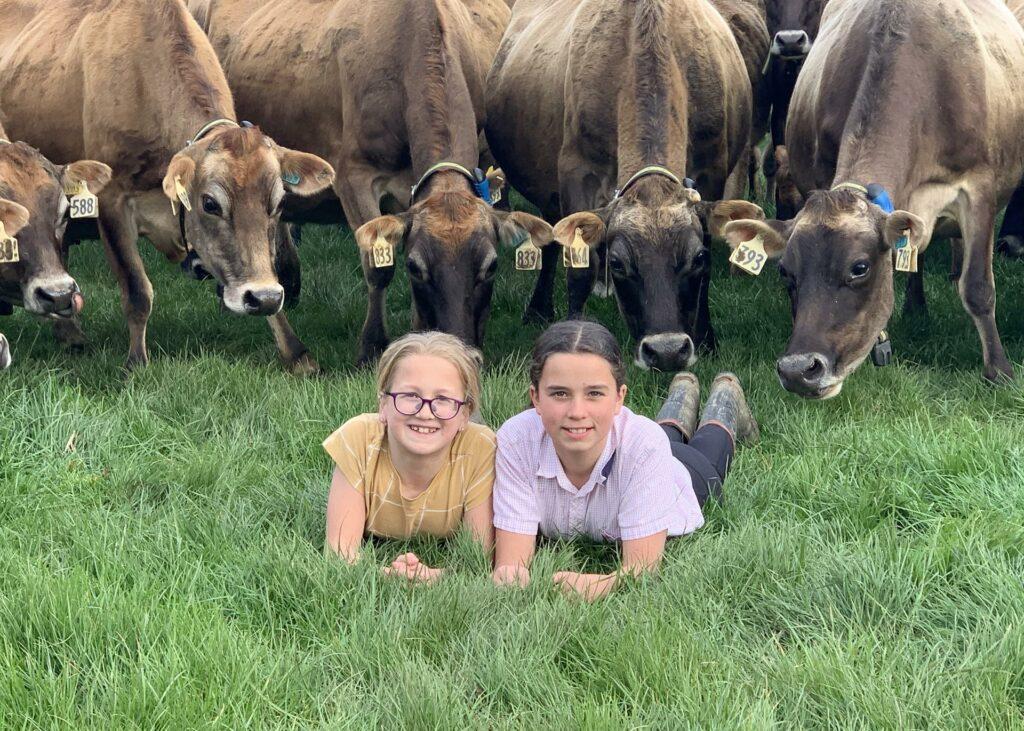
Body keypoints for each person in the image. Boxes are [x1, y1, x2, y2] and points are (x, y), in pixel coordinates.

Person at [491, 320, 758, 601]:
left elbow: (641, 571)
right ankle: (682, 393)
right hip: (634, 448)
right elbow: (511, 566)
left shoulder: (645, 444)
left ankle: (726, 398)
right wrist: (512, 579)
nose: (577, 411)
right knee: (656, 436)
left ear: (620, 398)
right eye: (560, 393)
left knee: (706, 447)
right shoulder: (516, 439)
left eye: (594, 393)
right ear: (536, 398)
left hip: (685, 473)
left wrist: (598, 585)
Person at [323, 331, 494, 583]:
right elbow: (339, 555)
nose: (425, 413)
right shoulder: (357, 439)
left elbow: (476, 562)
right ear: (383, 405)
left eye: (443, 399)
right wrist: (391, 576)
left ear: (464, 414)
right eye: (410, 396)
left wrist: (431, 577)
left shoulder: (480, 449)